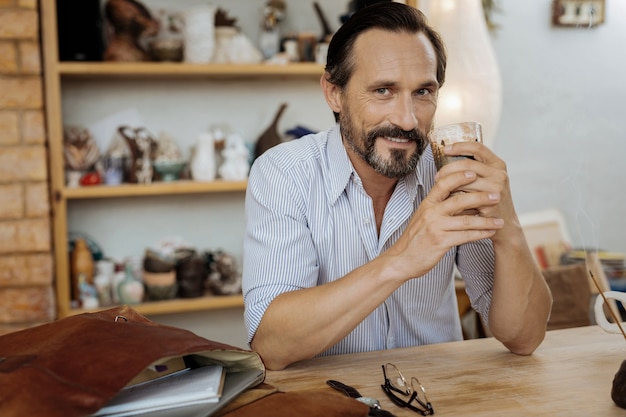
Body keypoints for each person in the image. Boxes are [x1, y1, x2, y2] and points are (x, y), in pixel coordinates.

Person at [242, 2, 552, 371]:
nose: (407, 120)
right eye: (383, 91)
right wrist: (402, 259)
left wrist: (509, 229)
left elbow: (524, 337)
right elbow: (271, 344)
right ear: (334, 93)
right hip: (329, 402)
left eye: (422, 92)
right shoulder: (283, 173)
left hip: (437, 398)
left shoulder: (450, 174)